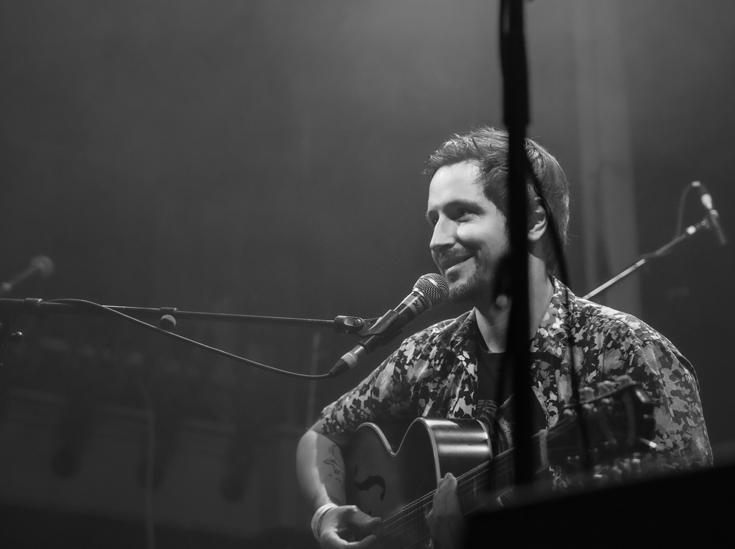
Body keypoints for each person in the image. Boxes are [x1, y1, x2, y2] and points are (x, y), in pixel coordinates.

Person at [296, 127, 712, 549]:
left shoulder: (624, 352)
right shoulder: (425, 354)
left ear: (532, 220)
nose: (437, 240)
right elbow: (321, 433)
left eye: (461, 214)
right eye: (433, 219)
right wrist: (325, 513)